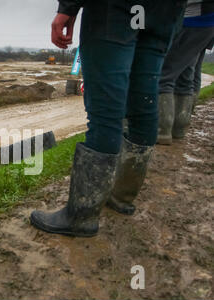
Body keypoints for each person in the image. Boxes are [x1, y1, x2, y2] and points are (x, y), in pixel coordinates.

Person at [30, 0, 186, 238]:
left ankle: (82, 215)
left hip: (116, 9)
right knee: (143, 98)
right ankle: (122, 196)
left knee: (106, 107)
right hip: (163, 11)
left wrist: (67, 9)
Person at [158, 0, 214, 145]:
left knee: (164, 76)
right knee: (185, 74)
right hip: (205, 21)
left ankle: (162, 129)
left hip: (192, 20)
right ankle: (179, 127)